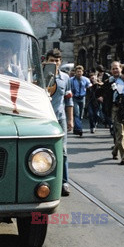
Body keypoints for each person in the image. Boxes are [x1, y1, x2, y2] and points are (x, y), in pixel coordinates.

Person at [45, 49, 73, 196]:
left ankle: (64, 182)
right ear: (46, 60)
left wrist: (70, 119)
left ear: (60, 62)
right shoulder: (39, 77)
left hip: (59, 118)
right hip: (43, 118)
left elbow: (69, 99)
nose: (54, 63)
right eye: (51, 60)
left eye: (57, 61)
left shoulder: (66, 78)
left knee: (63, 151)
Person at [70, 65, 92, 136]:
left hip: (82, 98)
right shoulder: (71, 80)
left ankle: (76, 129)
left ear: (82, 72)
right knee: (76, 113)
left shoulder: (85, 79)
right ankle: (79, 129)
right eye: (77, 72)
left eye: (80, 71)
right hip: (75, 98)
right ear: (75, 72)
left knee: (80, 114)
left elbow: (89, 85)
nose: (79, 73)